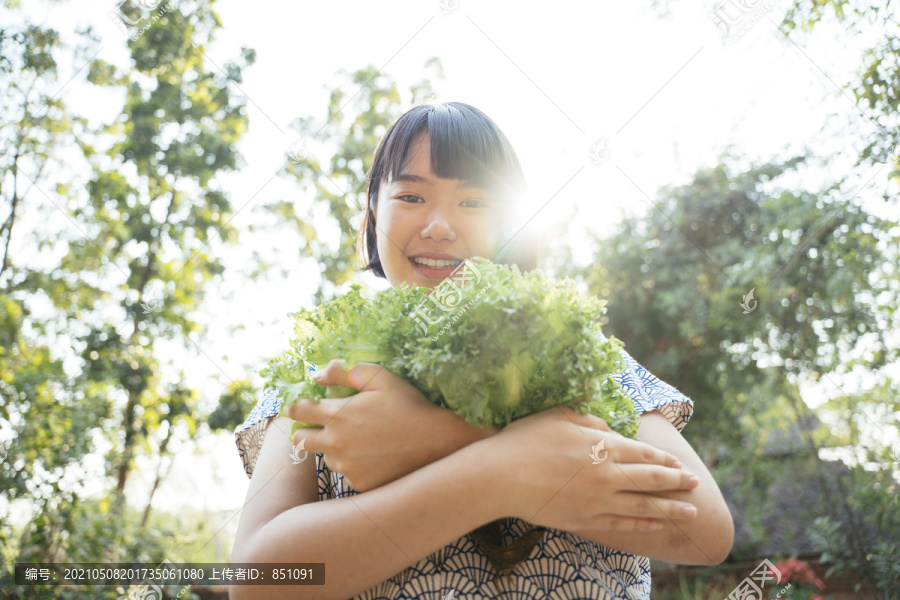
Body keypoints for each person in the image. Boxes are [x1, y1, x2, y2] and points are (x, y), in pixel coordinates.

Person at [230, 102, 734, 600]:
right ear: (372, 214)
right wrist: (499, 472)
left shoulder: (577, 350)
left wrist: (449, 440)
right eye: (409, 196)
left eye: (473, 203)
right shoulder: (328, 371)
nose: (439, 226)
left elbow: (703, 530)